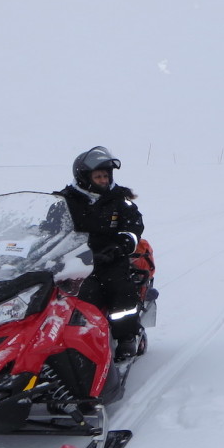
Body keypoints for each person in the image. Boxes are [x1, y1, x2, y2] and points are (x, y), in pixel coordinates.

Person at [57, 146, 146, 362]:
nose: (104, 180)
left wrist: (121, 245)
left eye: (106, 175)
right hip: (73, 258)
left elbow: (134, 227)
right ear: (85, 177)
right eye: (98, 176)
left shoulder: (119, 199)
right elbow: (46, 228)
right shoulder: (64, 199)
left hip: (109, 259)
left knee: (120, 289)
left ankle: (125, 336)